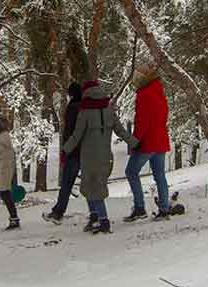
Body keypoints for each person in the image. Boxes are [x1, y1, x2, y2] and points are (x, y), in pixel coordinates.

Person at [62, 80, 138, 234]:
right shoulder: (109, 111)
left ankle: (103, 220)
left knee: (91, 187)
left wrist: (66, 149)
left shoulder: (85, 112)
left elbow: (77, 135)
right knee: (96, 186)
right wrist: (134, 143)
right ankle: (94, 218)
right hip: (106, 156)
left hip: (89, 157)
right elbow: (121, 131)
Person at [124, 60, 172, 222]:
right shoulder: (159, 91)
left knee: (131, 172)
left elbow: (142, 121)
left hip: (148, 142)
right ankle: (164, 208)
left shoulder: (144, 94)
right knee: (159, 175)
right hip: (160, 140)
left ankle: (139, 207)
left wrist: (134, 140)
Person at [42, 82, 82, 225]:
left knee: (66, 183)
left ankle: (58, 212)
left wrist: (66, 150)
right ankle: (96, 213)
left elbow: (69, 131)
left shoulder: (73, 108)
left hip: (72, 152)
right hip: (82, 152)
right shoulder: (84, 107)